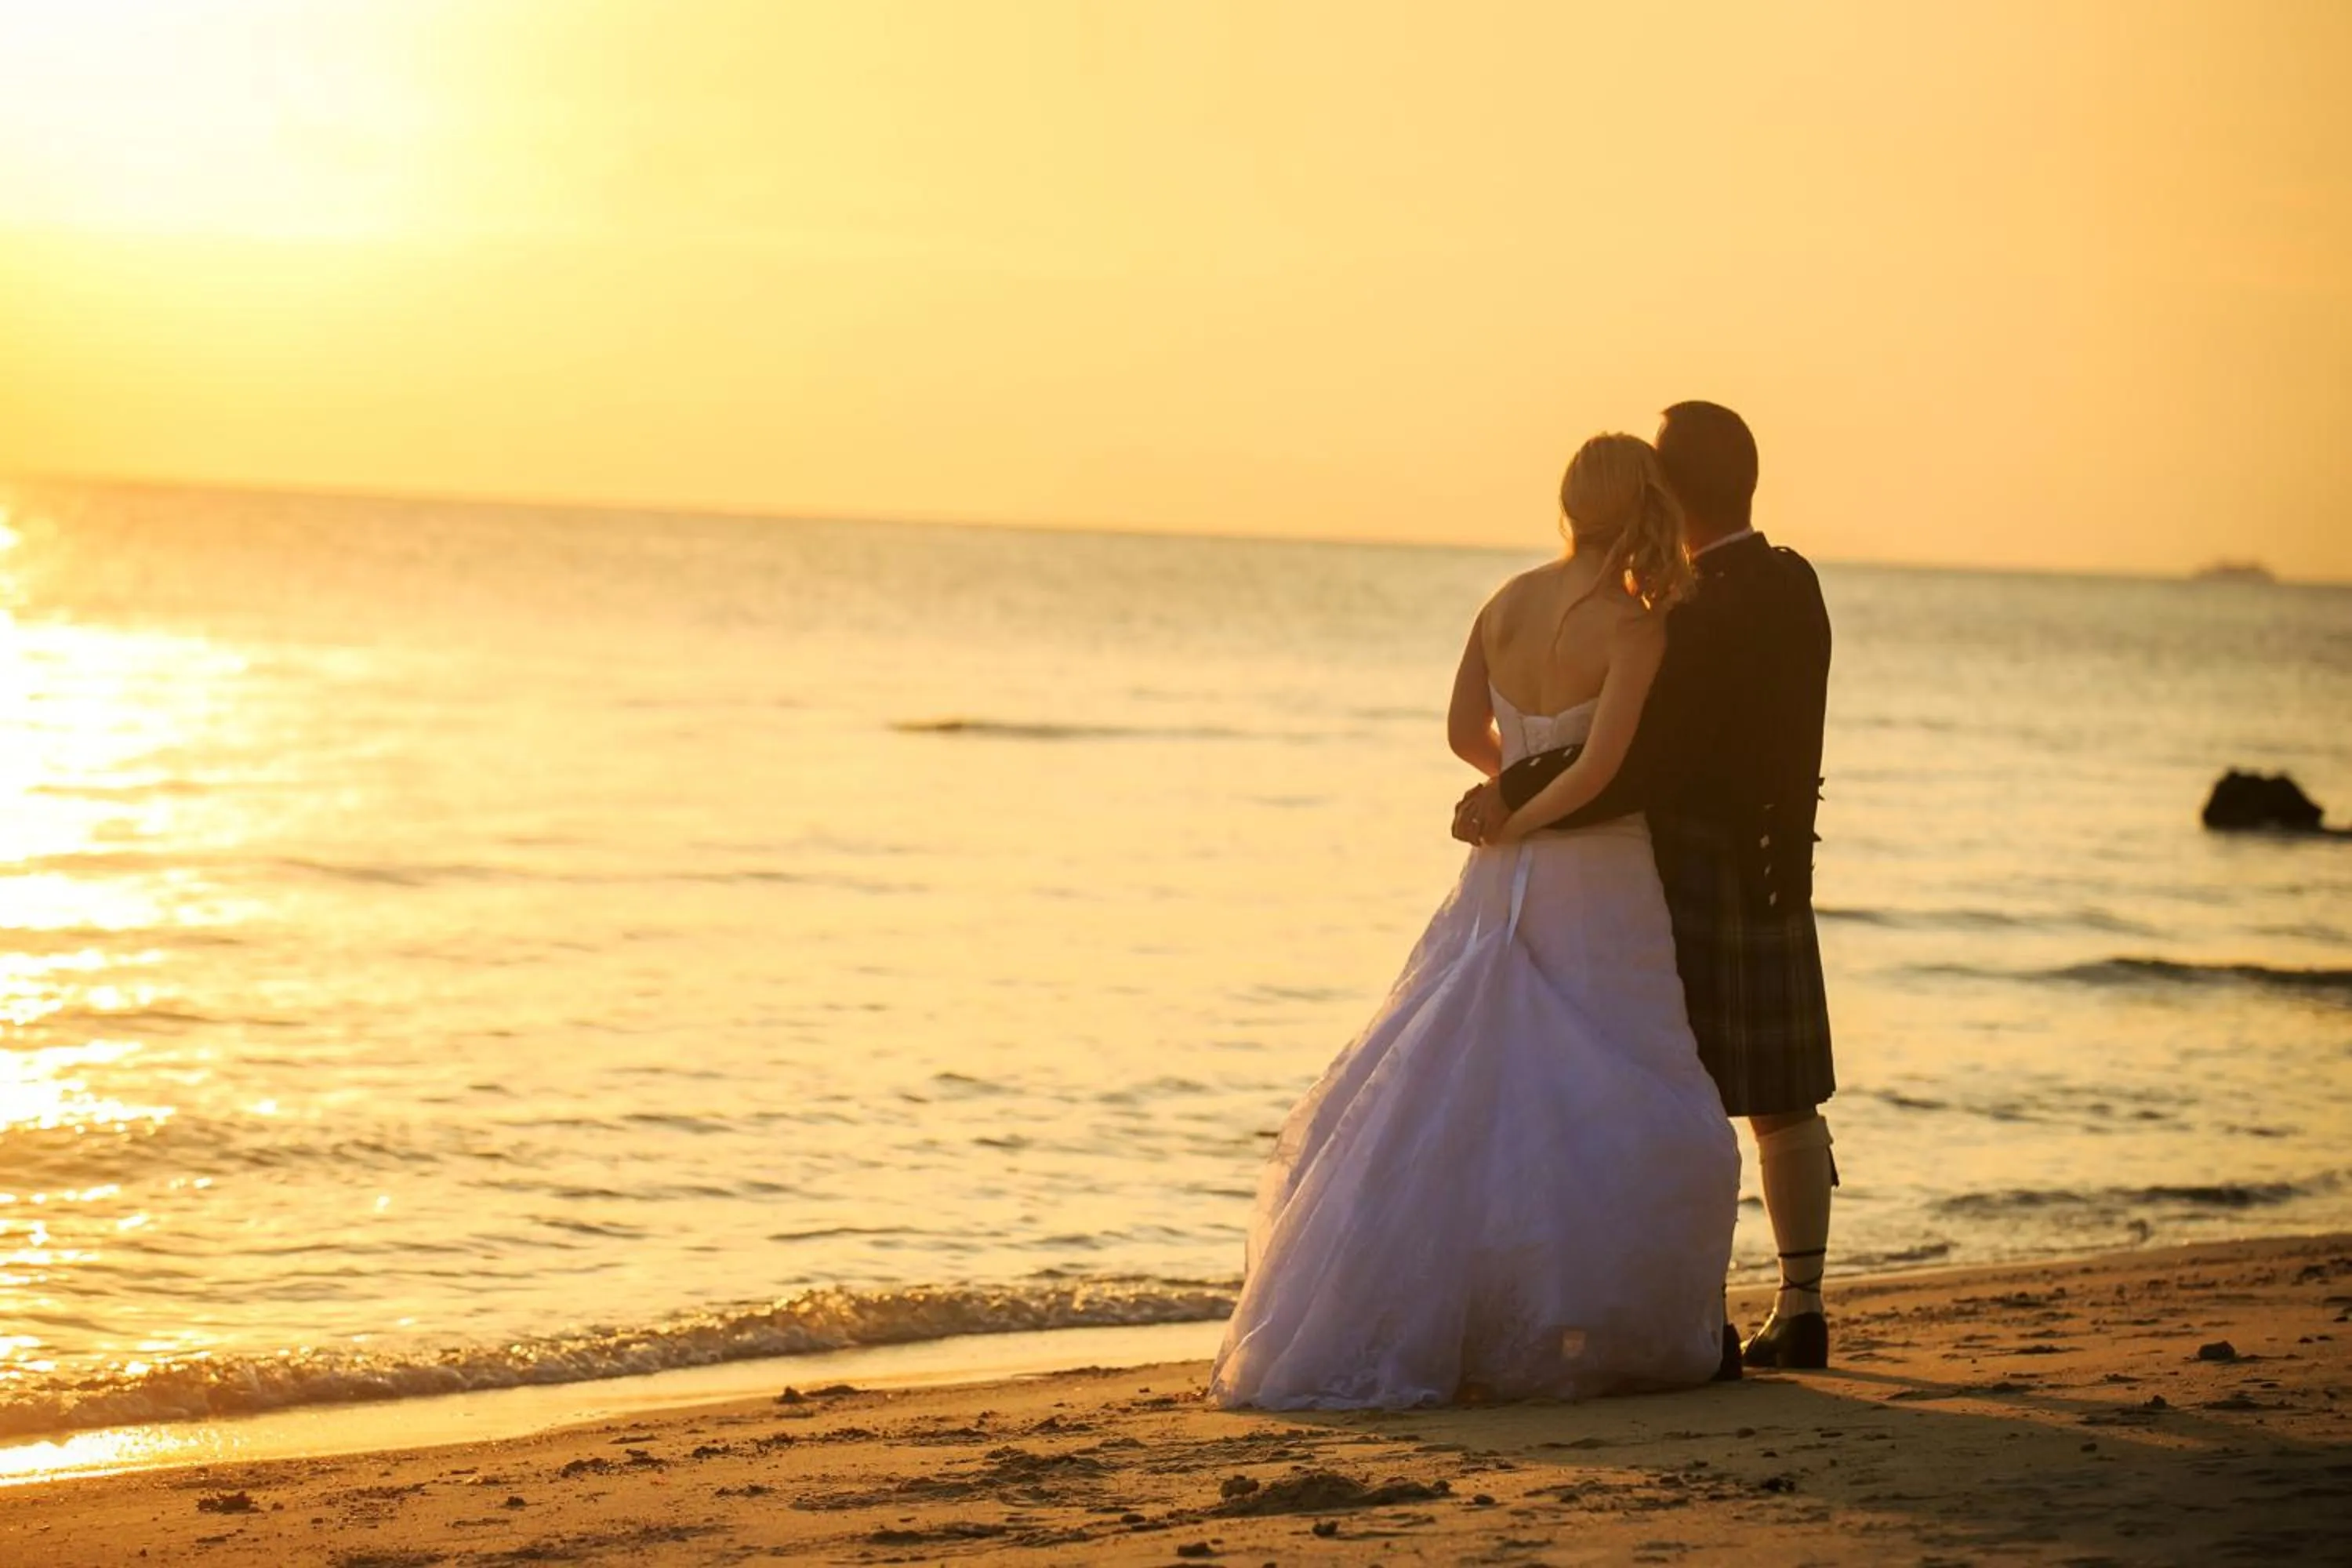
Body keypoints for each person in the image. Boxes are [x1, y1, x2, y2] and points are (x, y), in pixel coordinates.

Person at [1209, 434, 1740, 1410]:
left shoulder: (1504, 603)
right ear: (1644, 505)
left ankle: (1489, 1313)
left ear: (1571, 504)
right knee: (1620, 1078)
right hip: (1599, 874)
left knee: (1489, 1077)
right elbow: (1602, 770)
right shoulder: (1633, 628)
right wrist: (1527, 813)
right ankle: (1577, 1319)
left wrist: (1504, 796)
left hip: (1499, 872)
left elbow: (1462, 732)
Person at [1457, 401, 1838, 1370]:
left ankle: (1695, 1313)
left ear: (1673, 490)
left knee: (1675, 1093)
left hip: (1695, 868)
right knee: (1786, 1099)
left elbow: (1638, 763)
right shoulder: (1796, 583)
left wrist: (1513, 792)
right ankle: (1802, 1305)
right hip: (1778, 860)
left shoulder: (1690, 612)